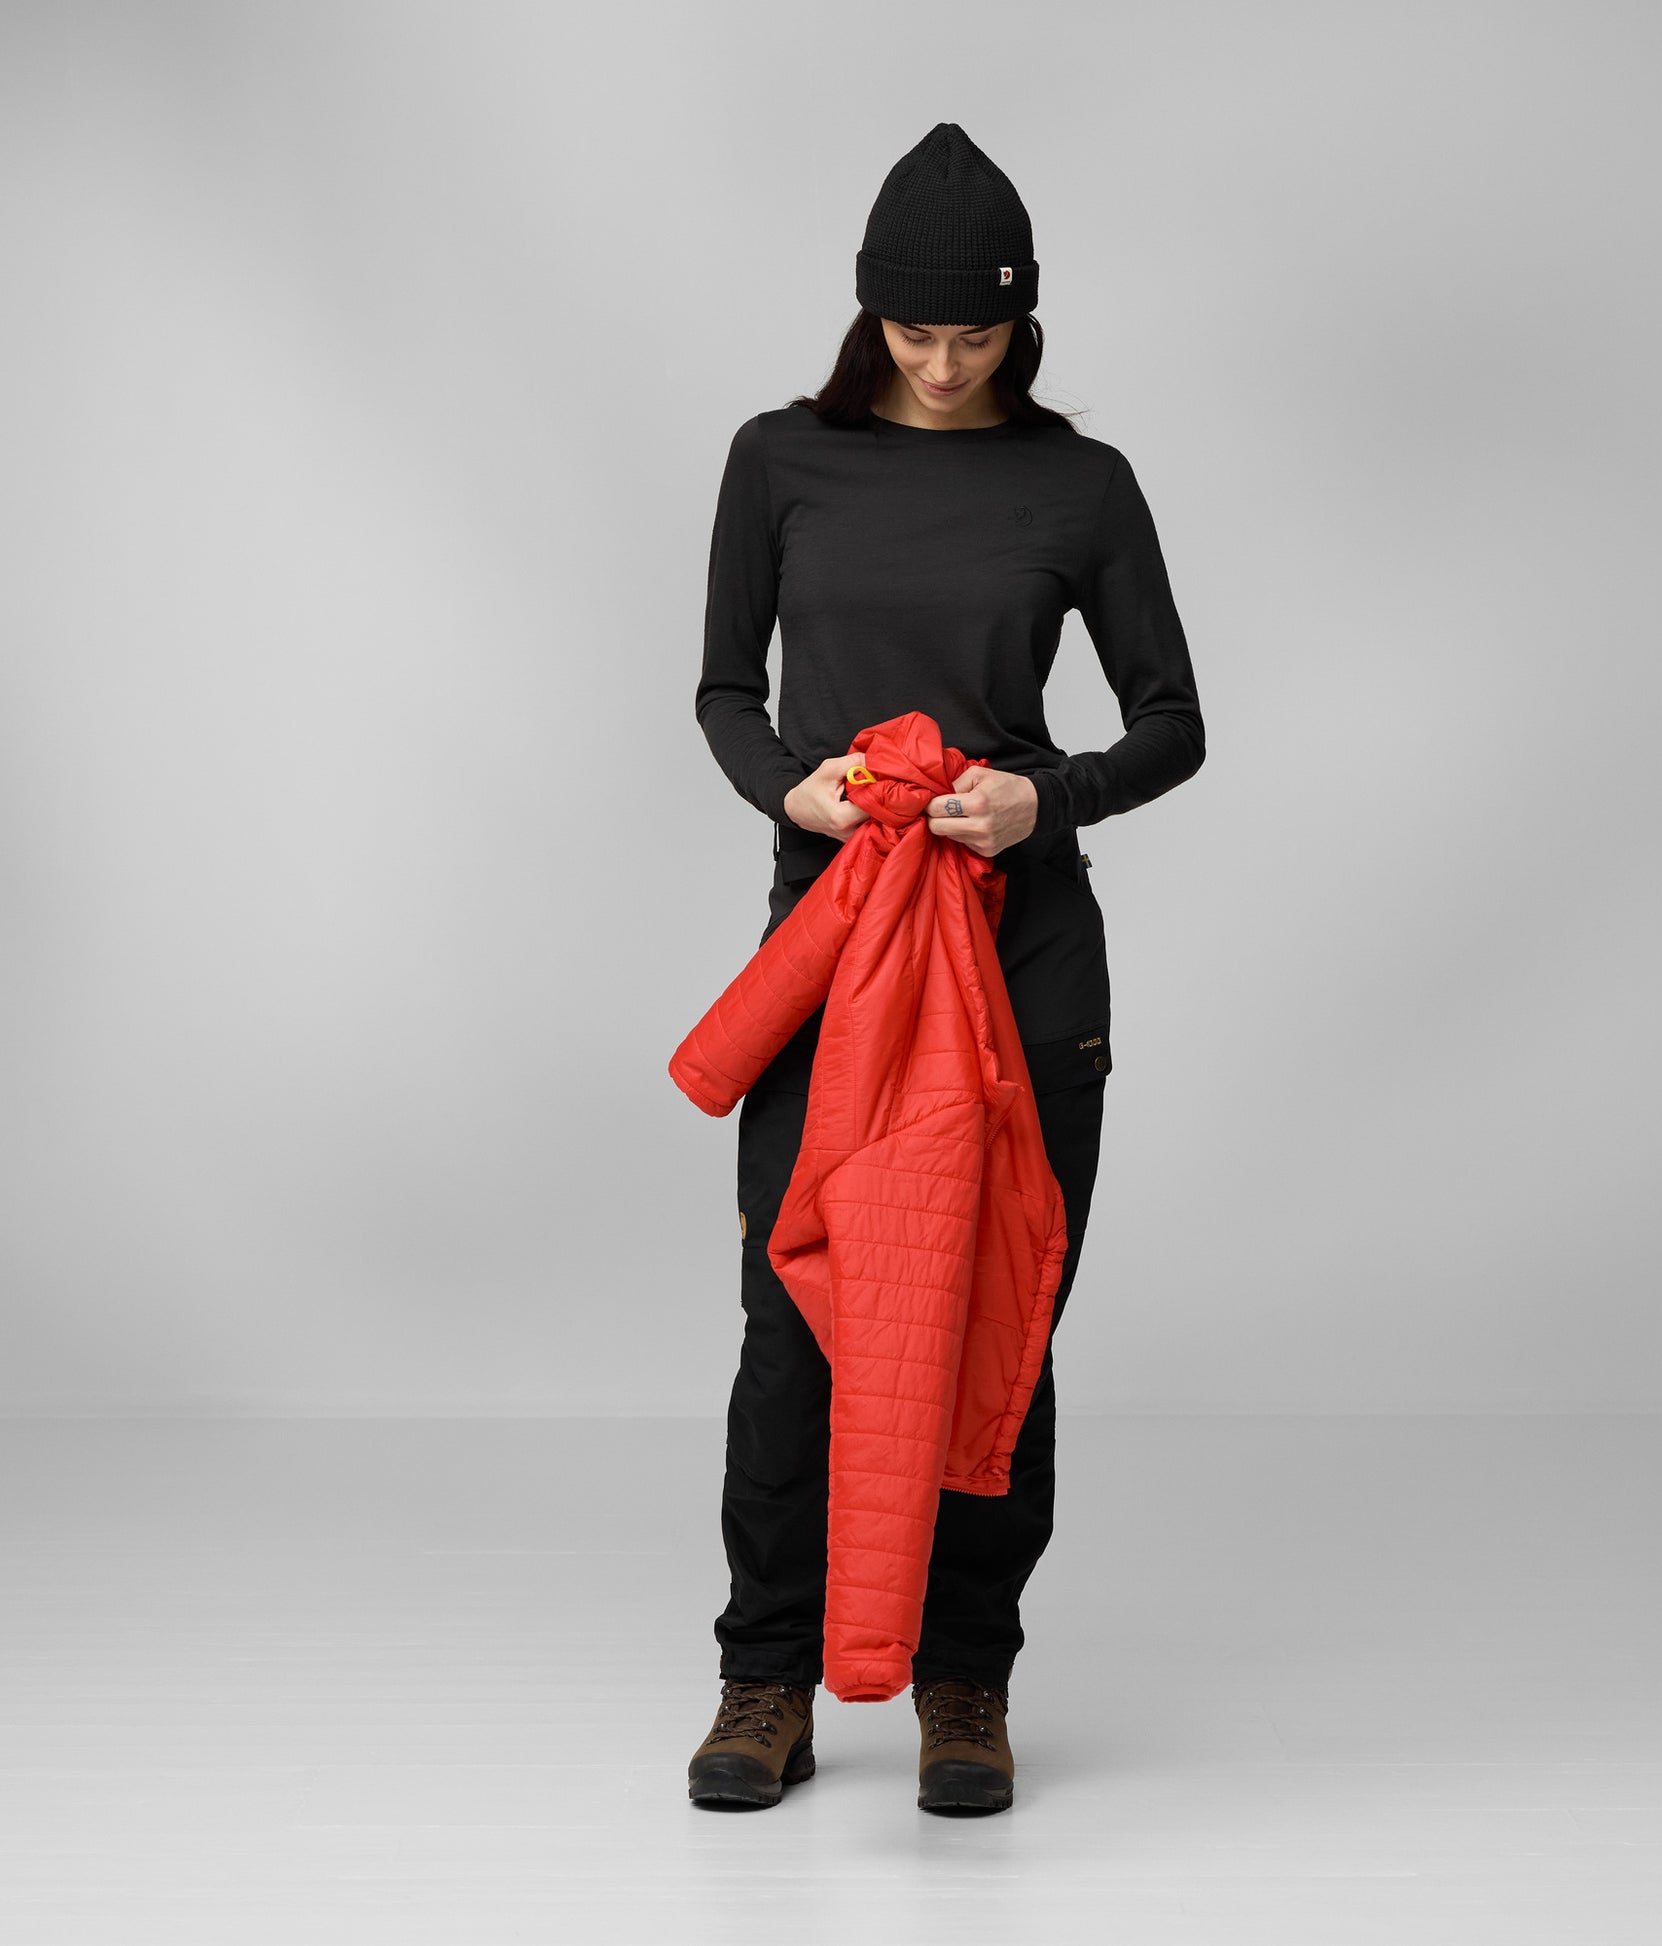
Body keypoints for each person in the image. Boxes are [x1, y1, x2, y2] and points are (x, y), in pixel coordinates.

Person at [685, 122, 1205, 1815]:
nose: (941, 363)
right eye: (912, 331)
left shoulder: (1081, 484)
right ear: (868, 315)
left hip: (1019, 943)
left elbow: (1172, 722)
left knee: (998, 1314)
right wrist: (793, 789)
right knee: (793, 1320)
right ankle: (765, 1678)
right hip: (834, 938)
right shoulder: (779, 460)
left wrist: (1044, 798)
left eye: (976, 333)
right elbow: (724, 692)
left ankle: (965, 1684)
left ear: (1019, 322)